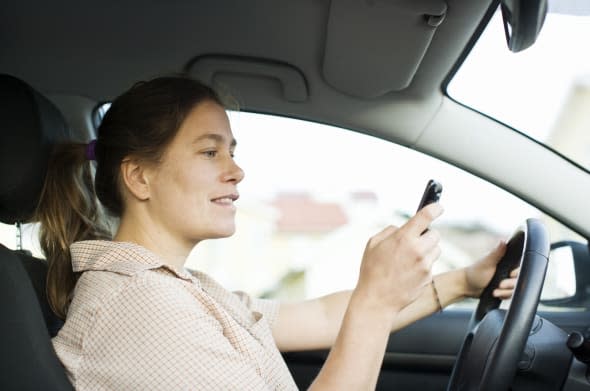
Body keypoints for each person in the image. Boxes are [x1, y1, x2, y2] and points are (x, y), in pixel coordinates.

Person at [35, 76, 517, 390]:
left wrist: (462, 283)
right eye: (210, 152)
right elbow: (354, 315)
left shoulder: (183, 290)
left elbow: (325, 317)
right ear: (139, 176)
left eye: (232, 151)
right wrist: (373, 301)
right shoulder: (141, 307)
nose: (237, 171)